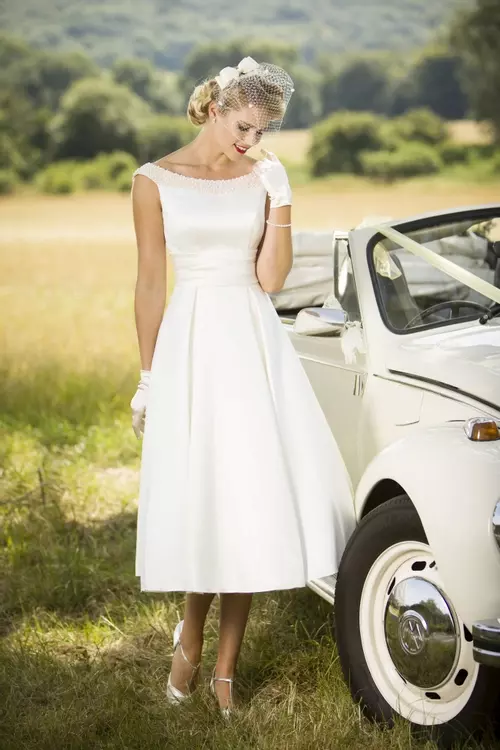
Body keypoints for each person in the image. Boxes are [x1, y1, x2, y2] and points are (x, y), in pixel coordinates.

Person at [129, 56, 355, 718]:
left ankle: (223, 671)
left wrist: (281, 199)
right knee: (205, 498)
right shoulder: (153, 181)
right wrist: (147, 377)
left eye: (261, 132)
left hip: (251, 343)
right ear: (217, 106)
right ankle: (189, 642)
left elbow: (273, 279)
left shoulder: (261, 177)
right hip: (192, 346)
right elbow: (148, 283)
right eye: (244, 126)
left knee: (248, 499)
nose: (249, 142)